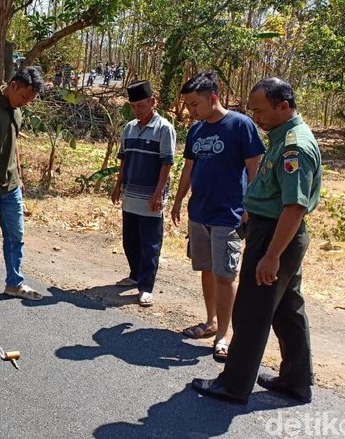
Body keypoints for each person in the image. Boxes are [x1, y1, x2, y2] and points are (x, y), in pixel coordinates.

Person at [192, 77, 322, 405]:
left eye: (261, 111)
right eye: (252, 111)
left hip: (277, 235)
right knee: (287, 309)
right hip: (271, 230)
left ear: (284, 106)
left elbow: (294, 206)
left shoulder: (295, 145)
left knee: (251, 311)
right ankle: (296, 380)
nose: (256, 117)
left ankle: (234, 385)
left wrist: (272, 254)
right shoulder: (281, 137)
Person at [171, 72, 264, 362]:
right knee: (207, 270)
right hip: (199, 212)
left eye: (195, 104)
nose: (191, 110)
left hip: (228, 213)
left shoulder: (240, 125)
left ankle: (225, 334)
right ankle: (211, 322)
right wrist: (178, 201)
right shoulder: (197, 130)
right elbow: (188, 168)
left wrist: (250, 205)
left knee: (226, 275)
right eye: (187, 104)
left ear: (213, 98)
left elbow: (255, 167)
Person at [0, 67, 45, 309]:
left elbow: (14, 146)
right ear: (13, 85)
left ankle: (14, 283)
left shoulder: (17, 111)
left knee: (16, 237)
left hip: (11, 187)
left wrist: (19, 177)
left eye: (29, 100)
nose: (25, 103)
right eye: (24, 97)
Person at [110, 80, 176, 307]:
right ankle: (135, 274)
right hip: (131, 194)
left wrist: (158, 194)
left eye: (141, 105)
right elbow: (124, 159)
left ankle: (146, 287)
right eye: (134, 106)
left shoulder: (164, 128)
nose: (137, 110)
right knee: (130, 239)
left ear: (152, 102)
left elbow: (167, 163)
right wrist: (118, 185)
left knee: (150, 243)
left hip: (151, 197)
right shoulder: (129, 128)